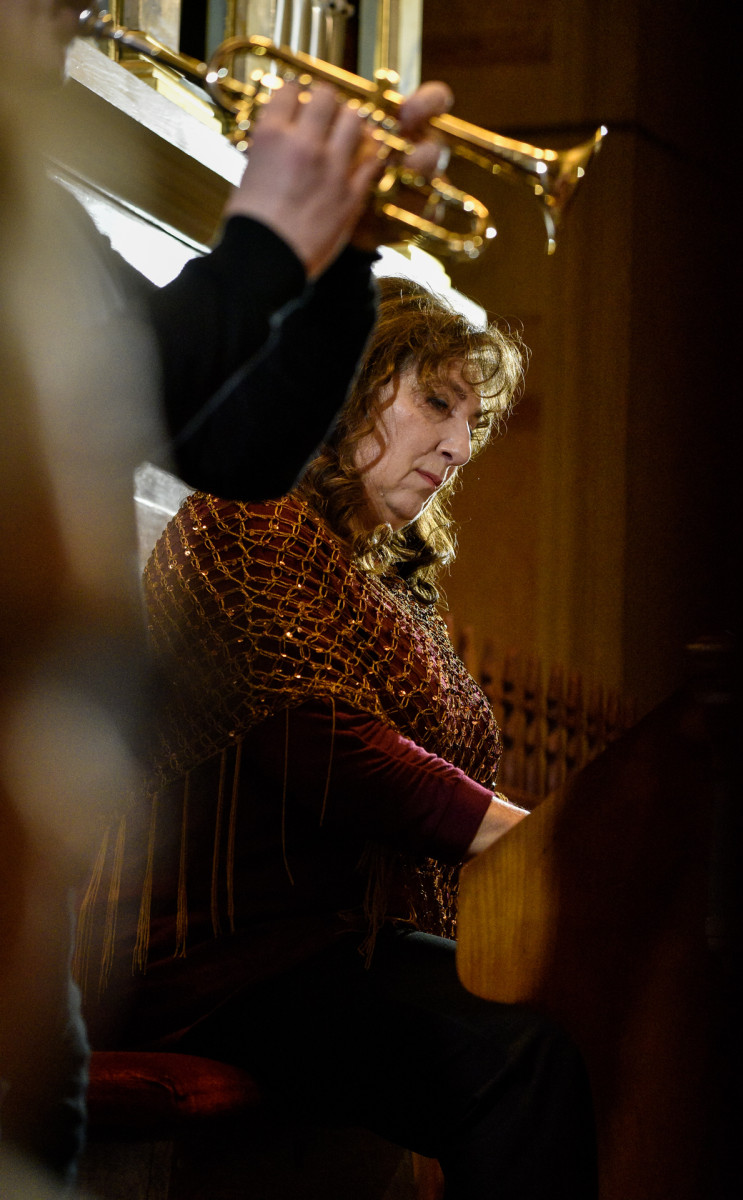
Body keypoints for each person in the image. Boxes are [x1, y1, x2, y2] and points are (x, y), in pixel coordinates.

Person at [0, 0, 453, 1186]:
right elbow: (124, 390)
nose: (81, 13)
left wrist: (344, 255)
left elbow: (240, 447)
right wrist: (264, 236)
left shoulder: (39, 212)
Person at [82, 277, 598, 1199]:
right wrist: (537, 840)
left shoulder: (390, 585)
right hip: (212, 969)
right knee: (517, 1059)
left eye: (471, 423)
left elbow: (438, 758)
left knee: (556, 1024)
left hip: (328, 953)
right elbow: (329, 746)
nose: (456, 446)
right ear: (348, 387)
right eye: (435, 402)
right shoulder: (244, 518)